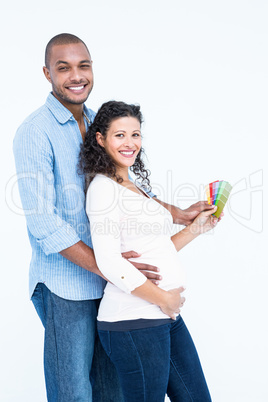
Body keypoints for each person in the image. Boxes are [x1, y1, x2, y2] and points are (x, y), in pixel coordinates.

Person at [13, 33, 216, 402]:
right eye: (64, 68)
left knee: (112, 394)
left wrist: (180, 215)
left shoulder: (97, 123)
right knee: (74, 393)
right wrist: (114, 268)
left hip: (112, 287)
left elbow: (128, 188)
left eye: (83, 65)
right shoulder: (34, 132)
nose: (76, 75)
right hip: (65, 286)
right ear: (47, 73)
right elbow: (44, 224)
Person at [80, 100, 219, 402]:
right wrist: (165, 299)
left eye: (136, 134)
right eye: (120, 135)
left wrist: (197, 228)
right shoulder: (103, 189)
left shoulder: (133, 186)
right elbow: (108, 260)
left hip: (163, 316)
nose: (130, 143)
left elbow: (157, 249)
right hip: (133, 322)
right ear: (101, 139)